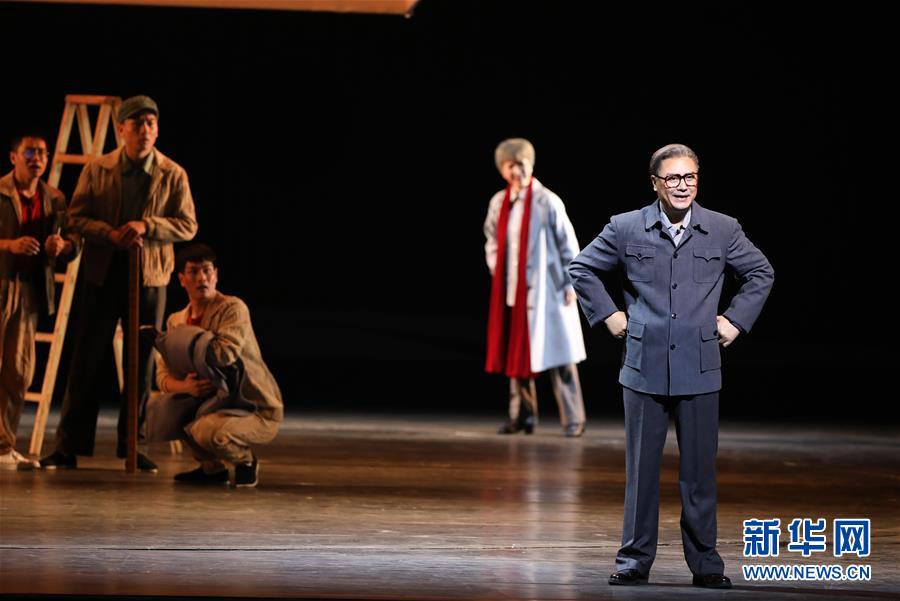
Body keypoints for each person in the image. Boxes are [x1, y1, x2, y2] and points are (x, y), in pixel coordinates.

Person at [569, 143, 774, 588]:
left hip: (699, 367)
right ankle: (633, 560)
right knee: (641, 473)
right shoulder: (625, 227)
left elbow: (761, 272)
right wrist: (609, 315)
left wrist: (735, 320)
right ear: (655, 183)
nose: (683, 185)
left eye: (690, 177)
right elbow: (581, 268)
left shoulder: (722, 228)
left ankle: (706, 564)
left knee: (699, 475)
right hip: (643, 366)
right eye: (673, 178)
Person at [40, 95, 198, 472]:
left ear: (157, 130)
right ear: (121, 129)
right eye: (137, 123)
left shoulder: (172, 173)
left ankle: (133, 445)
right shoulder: (99, 169)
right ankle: (68, 445)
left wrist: (148, 225)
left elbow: (188, 225)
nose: (145, 130)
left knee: (141, 363)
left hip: (150, 276)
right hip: (103, 271)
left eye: (151, 123)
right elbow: (76, 218)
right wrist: (109, 233)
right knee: (86, 359)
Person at [146, 244, 283, 488]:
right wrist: (186, 387)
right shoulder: (176, 320)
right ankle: (212, 469)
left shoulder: (232, 308)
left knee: (206, 431)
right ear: (181, 279)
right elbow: (163, 374)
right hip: (211, 405)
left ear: (216, 275)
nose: (202, 278)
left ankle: (245, 461)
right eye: (194, 272)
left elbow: (223, 354)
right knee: (168, 411)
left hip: (253, 407)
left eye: (207, 270)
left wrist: (177, 343)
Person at [484, 138, 587, 437]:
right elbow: (492, 239)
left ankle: (573, 418)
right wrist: (498, 268)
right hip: (514, 289)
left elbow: (569, 245)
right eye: (510, 166)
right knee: (516, 352)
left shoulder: (548, 201)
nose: (517, 171)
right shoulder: (499, 202)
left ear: (531, 164)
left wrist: (571, 283)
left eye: (521, 164)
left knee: (561, 356)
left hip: (549, 289)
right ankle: (522, 416)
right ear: (502, 170)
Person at [1, 133, 79, 470]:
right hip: (2, 283)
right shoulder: (1, 192)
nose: (37, 158)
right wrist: (9, 245)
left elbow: (74, 241)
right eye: (29, 152)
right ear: (13, 157)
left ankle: (3, 446)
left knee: (18, 371)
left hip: (29, 290)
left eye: (43, 153)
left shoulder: (54, 198)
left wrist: (62, 247)